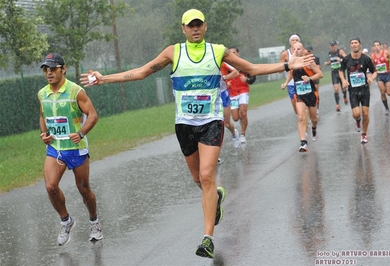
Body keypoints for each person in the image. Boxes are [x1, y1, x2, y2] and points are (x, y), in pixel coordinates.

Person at [80, 9, 314, 259]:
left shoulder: (218, 51)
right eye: (190, 25)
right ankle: (217, 197)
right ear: (182, 28)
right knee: (199, 181)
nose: (194, 29)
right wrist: (103, 79)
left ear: (205, 27)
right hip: (184, 125)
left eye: (198, 25)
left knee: (206, 176)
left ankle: (208, 239)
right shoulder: (174, 52)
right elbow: (141, 72)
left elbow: (252, 69)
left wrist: (288, 64)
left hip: (211, 122)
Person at [38, 53, 102, 246]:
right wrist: (44, 134)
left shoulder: (76, 91)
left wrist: (81, 133)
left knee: (83, 189)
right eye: (46, 69)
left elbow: (93, 115)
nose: (49, 73)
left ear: (63, 69)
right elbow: (43, 116)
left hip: (76, 148)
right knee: (50, 187)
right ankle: (66, 220)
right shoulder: (42, 94)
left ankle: (94, 221)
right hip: (56, 147)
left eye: (53, 69)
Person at [282, 43, 323, 152]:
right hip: (299, 93)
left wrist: (309, 78)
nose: (296, 51)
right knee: (300, 116)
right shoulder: (292, 62)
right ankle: (303, 142)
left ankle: (314, 128)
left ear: (303, 50)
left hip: (311, 93)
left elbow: (320, 74)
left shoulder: (309, 62)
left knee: (313, 118)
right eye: (294, 49)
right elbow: (291, 73)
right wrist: (286, 82)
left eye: (299, 49)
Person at [339, 38, 377, 143]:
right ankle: (357, 120)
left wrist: (371, 78)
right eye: (352, 43)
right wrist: (343, 80)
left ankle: (364, 135)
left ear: (360, 45)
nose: (354, 45)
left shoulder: (366, 59)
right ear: (350, 46)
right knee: (356, 114)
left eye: (356, 43)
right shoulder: (346, 59)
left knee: (365, 113)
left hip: (364, 89)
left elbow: (374, 72)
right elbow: (341, 71)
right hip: (353, 91)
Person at [227, 46, 256, 143]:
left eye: (234, 52)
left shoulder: (243, 64)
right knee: (235, 118)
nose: (232, 54)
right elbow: (221, 77)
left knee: (243, 113)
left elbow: (253, 76)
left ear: (238, 54)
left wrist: (247, 79)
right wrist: (226, 83)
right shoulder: (226, 65)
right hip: (232, 93)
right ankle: (238, 127)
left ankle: (243, 134)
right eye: (230, 52)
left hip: (243, 91)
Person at [371, 40, 390, 115]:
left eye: (378, 45)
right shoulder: (373, 56)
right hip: (379, 76)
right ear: (373, 47)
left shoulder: (385, 53)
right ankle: (386, 108)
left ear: (380, 46)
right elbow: (372, 66)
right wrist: (373, 72)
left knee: (389, 93)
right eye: (375, 45)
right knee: (382, 92)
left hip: (387, 75)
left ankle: (387, 88)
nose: (376, 47)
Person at [220, 61, 241, 148]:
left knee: (227, 123)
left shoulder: (222, 62)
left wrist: (224, 77)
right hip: (211, 95)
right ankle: (215, 152)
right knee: (214, 124)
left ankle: (234, 133)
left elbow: (236, 72)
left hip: (223, 94)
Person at [280, 34, 302, 115]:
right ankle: (301, 117)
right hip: (291, 83)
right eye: (293, 40)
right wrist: (286, 65)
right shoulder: (285, 54)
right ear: (290, 42)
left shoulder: (304, 52)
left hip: (302, 82)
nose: (295, 41)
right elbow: (279, 68)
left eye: (297, 40)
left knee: (303, 103)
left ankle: (304, 119)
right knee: (295, 106)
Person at [324, 41, 347, 112]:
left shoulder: (340, 51)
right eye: (331, 46)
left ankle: (345, 96)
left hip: (341, 71)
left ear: (336, 45)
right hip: (334, 72)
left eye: (334, 45)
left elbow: (347, 59)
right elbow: (331, 61)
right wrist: (327, 63)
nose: (333, 47)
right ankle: (337, 105)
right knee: (336, 89)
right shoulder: (330, 53)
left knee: (343, 87)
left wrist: (341, 59)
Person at [306, 46, 321, 113]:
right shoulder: (305, 58)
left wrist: (313, 68)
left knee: (316, 93)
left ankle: (317, 107)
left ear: (312, 51)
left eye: (309, 51)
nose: (308, 53)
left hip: (315, 77)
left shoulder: (316, 58)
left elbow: (318, 67)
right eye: (307, 51)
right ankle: (309, 107)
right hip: (308, 78)